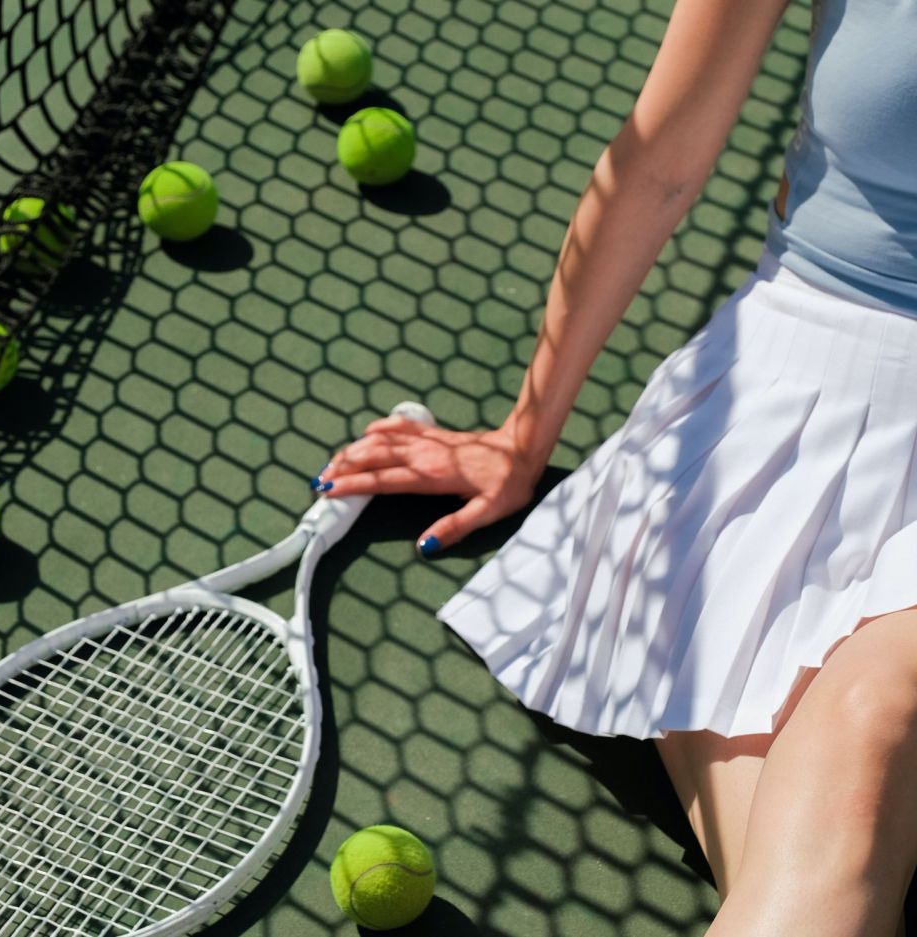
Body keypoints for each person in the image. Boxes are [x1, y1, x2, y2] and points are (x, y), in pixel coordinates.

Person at [315, 0, 917, 933]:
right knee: (813, 847)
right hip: (783, 407)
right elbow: (662, 162)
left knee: (869, 723)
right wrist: (525, 437)